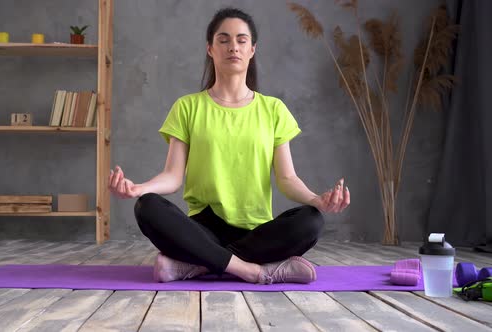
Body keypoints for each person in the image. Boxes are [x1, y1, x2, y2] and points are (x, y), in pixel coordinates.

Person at [108, 7, 350, 284]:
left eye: (241, 40)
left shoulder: (274, 109)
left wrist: (317, 200)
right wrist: (140, 188)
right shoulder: (187, 107)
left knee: (311, 221)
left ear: (252, 49)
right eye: (223, 40)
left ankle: (199, 265)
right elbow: (173, 176)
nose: (232, 46)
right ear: (210, 49)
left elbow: (287, 178)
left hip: (256, 233)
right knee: (147, 207)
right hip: (203, 229)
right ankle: (253, 270)